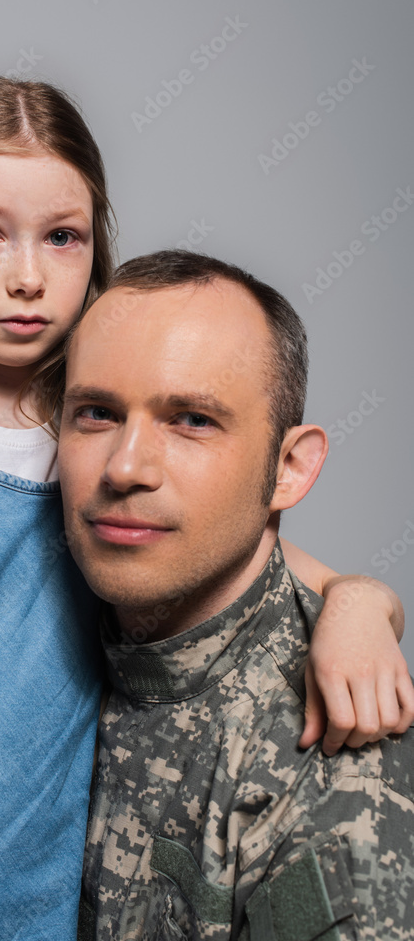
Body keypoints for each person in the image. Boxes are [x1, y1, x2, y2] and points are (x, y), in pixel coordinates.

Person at [0, 81, 409, 941]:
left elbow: (283, 572)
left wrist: (361, 606)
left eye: (61, 238)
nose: (27, 276)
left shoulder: (95, 443)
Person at [57, 250, 414, 940]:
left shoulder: (334, 769)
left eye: (191, 420)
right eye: (96, 412)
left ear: (288, 467)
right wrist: (359, 593)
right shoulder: (32, 597)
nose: (124, 467)